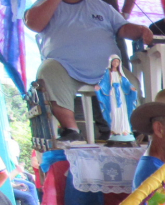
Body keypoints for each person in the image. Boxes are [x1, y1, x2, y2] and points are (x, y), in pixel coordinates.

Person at [26, 0, 152, 142]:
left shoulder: (101, 6)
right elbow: (33, 23)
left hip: (107, 68)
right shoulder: (45, 4)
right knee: (47, 72)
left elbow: (123, 28)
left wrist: (141, 30)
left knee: (130, 82)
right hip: (64, 66)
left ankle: (130, 130)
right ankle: (71, 130)